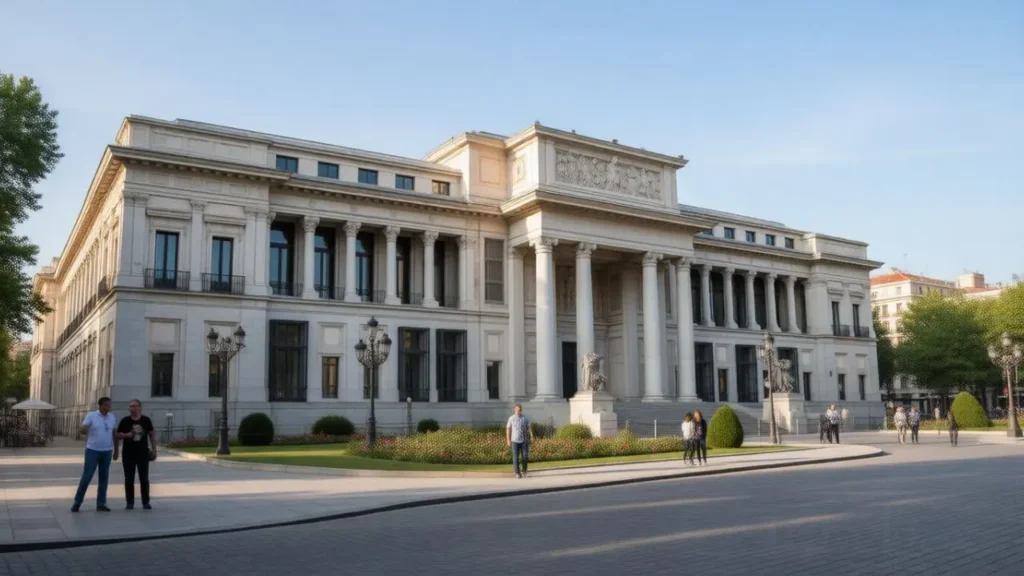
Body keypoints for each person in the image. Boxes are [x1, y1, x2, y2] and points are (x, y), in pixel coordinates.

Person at [72, 397, 117, 512]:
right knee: (87, 476)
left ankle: (101, 503)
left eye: (110, 405)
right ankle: (77, 502)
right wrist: (83, 429)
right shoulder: (92, 416)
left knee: (104, 477)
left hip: (107, 451)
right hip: (93, 450)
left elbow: (114, 433)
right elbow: (82, 429)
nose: (109, 407)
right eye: (107, 405)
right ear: (100, 406)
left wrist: (116, 450)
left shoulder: (112, 417)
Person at [115, 399, 156, 510]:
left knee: (144, 479)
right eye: (130, 406)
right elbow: (117, 435)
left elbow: (152, 434)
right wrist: (126, 435)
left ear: (140, 407)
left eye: (135, 406)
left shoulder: (146, 420)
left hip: (142, 454)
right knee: (129, 479)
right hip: (128, 454)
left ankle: (146, 502)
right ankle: (130, 502)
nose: (132, 408)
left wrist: (154, 449)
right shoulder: (125, 421)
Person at [505, 404, 534, 478]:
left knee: (525, 456)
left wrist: (531, 436)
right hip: (514, 440)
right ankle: (517, 472)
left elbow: (529, 427)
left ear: (521, 410)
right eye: (517, 410)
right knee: (515, 457)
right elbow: (508, 429)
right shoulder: (511, 418)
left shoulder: (525, 418)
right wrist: (508, 440)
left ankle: (524, 471)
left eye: (520, 410)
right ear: (514, 410)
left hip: (524, 440)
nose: (518, 411)